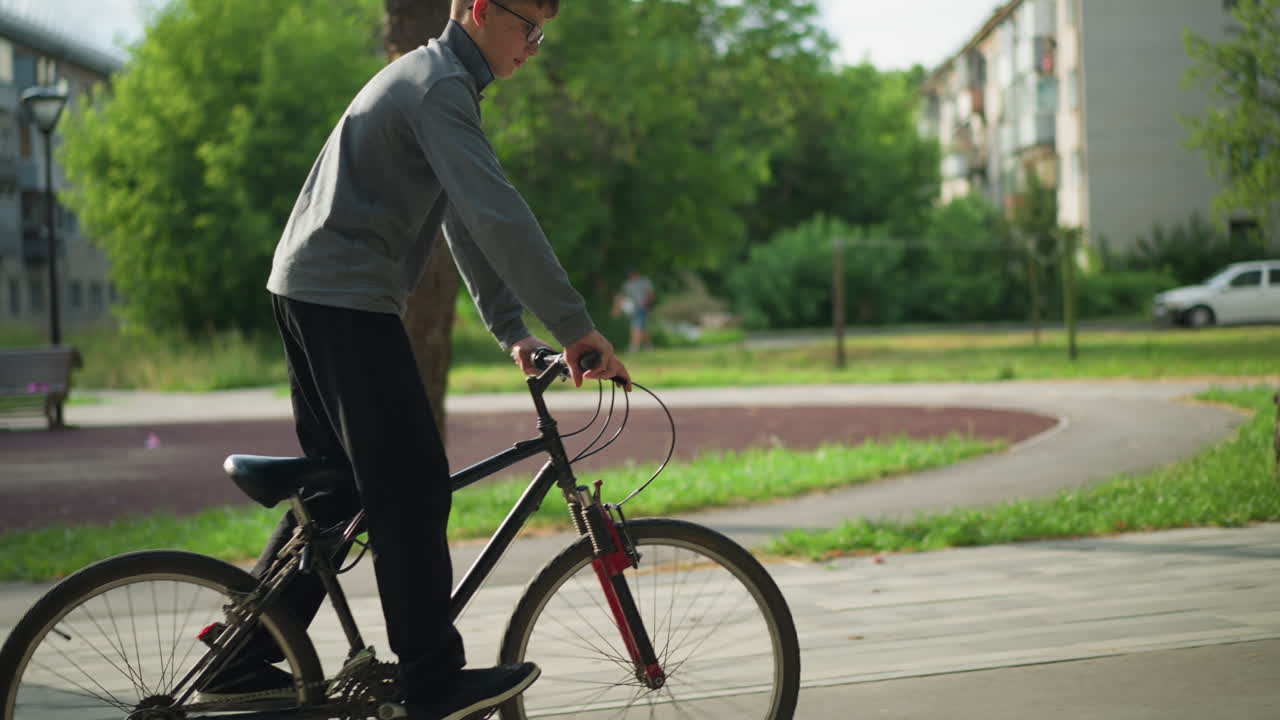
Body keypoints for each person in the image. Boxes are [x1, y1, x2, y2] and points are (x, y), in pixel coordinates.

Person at [201, 2, 630, 719]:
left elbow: (464, 215)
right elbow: (499, 215)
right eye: (529, 27)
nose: (535, 46)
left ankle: (242, 655)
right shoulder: (439, 86)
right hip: (342, 297)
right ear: (481, 9)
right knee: (413, 486)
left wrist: (512, 329)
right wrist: (577, 329)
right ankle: (433, 684)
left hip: (311, 291)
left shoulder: (437, 82)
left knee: (340, 491)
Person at [613, 269, 655, 352]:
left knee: (636, 327)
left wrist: (648, 304)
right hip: (633, 309)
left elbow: (650, 293)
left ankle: (634, 347)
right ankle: (648, 346)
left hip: (643, 307)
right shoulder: (627, 284)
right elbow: (622, 297)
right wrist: (617, 309)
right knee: (641, 328)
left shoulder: (644, 281)